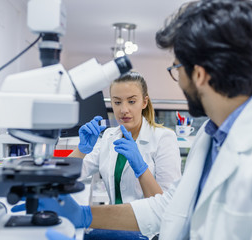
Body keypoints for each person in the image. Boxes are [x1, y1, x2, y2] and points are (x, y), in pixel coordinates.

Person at [17, 0, 252, 239]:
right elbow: (168, 206)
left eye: (177, 68)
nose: (177, 78)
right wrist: (84, 214)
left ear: (199, 74)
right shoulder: (212, 135)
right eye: (116, 102)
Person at [68, 71, 182, 206]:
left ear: (144, 102)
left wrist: (141, 169)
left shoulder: (164, 138)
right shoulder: (109, 136)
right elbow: (66, 177)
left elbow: (168, 205)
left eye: (132, 101)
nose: (123, 109)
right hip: (115, 221)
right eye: (117, 102)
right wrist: (81, 150)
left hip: (146, 226)